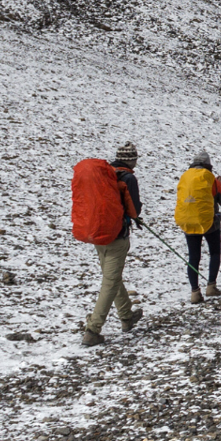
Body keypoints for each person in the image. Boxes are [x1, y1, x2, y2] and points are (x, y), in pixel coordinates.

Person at [83, 142, 145, 346]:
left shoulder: (104, 175)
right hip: (117, 237)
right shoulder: (128, 178)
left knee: (112, 277)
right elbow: (134, 209)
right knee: (109, 282)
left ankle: (127, 317)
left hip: (98, 235)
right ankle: (93, 329)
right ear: (131, 160)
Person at [174, 150, 221, 303]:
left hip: (188, 220)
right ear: (208, 164)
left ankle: (194, 293)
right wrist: (219, 183)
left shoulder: (185, 177)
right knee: (214, 253)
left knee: (193, 257)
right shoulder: (210, 178)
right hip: (209, 222)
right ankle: (211, 286)